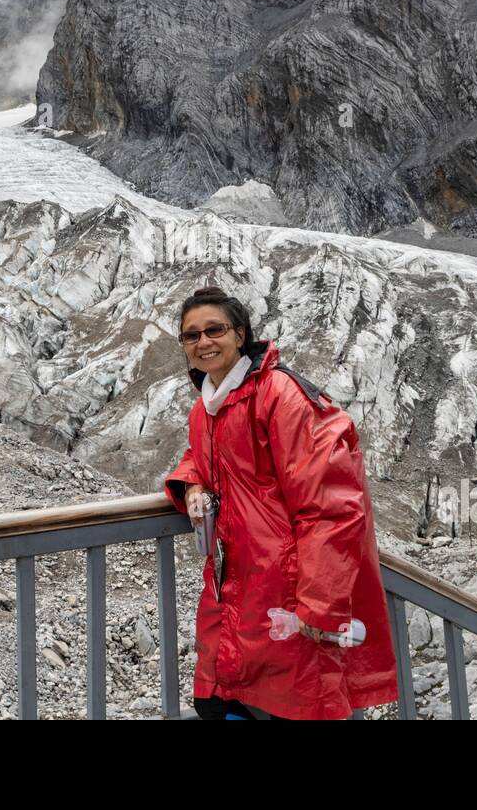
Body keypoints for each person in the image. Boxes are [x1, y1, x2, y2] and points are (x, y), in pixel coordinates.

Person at [162, 285, 399, 720]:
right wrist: (191, 483)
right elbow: (202, 455)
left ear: (240, 334)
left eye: (214, 329)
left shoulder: (280, 395)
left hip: (287, 590)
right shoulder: (208, 408)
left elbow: (329, 503)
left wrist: (321, 604)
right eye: (191, 335)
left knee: (293, 704)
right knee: (220, 699)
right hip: (235, 583)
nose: (203, 342)